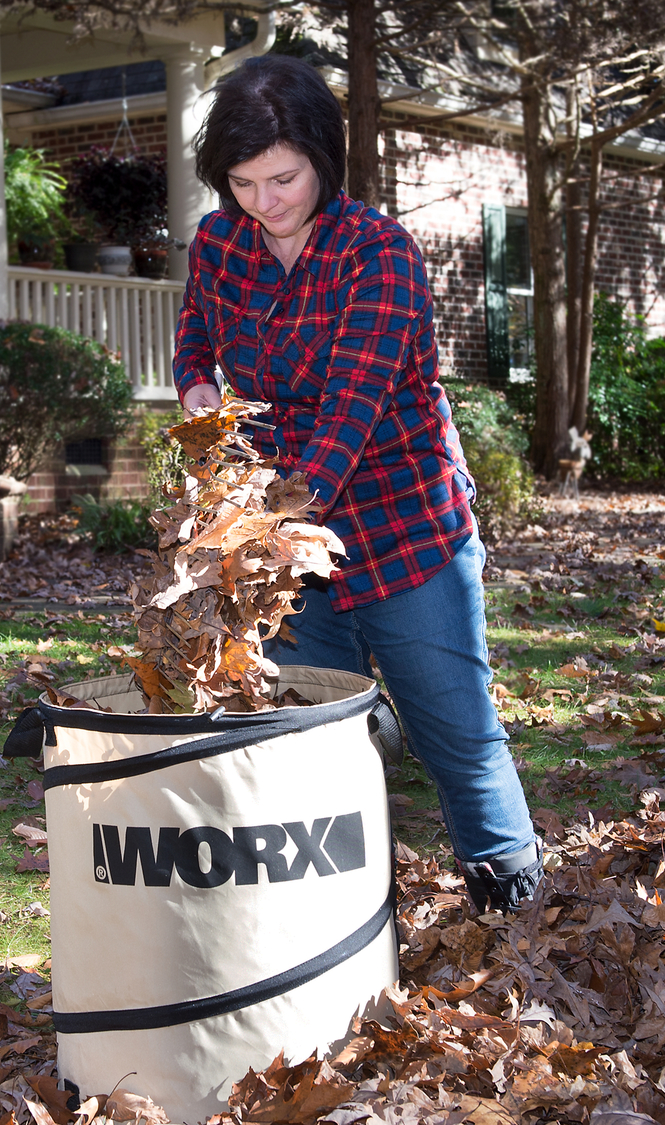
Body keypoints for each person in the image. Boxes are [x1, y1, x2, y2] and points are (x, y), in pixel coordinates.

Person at [172, 55, 542, 913]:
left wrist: (261, 529)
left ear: (323, 162)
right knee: (312, 734)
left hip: (403, 526)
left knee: (455, 729)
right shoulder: (223, 242)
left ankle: (513, 909)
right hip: (289, 546)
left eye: (284, 178)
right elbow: (197, 331)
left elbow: (350, 418)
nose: (265, 203)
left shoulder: (379, 254)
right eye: (242, 182)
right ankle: (335, 922)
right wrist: (197, 386)